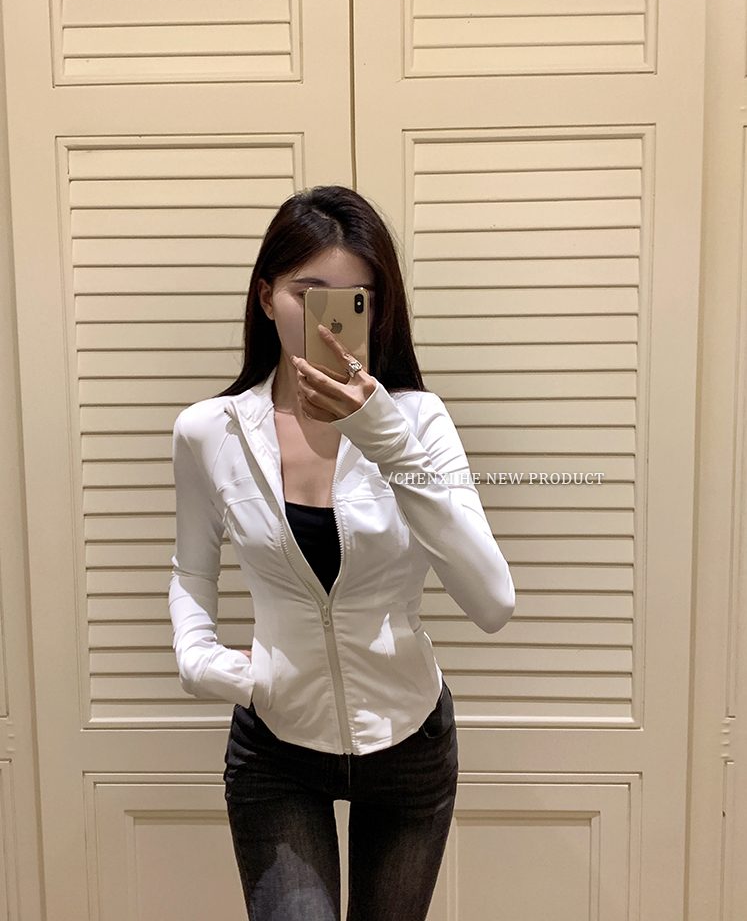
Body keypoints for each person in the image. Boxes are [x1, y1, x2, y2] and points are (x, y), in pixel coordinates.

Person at [168, 185, 515, 921]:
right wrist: (201, 660)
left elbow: (492, 602)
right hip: (276, 744)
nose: (329, 318)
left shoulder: (417, 422)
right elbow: (192, 571)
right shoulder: (207, 432)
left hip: (409, 737)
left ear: (377, 309)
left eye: (355, 298)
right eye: (307, 293)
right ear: (266, 297)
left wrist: (384, 436)